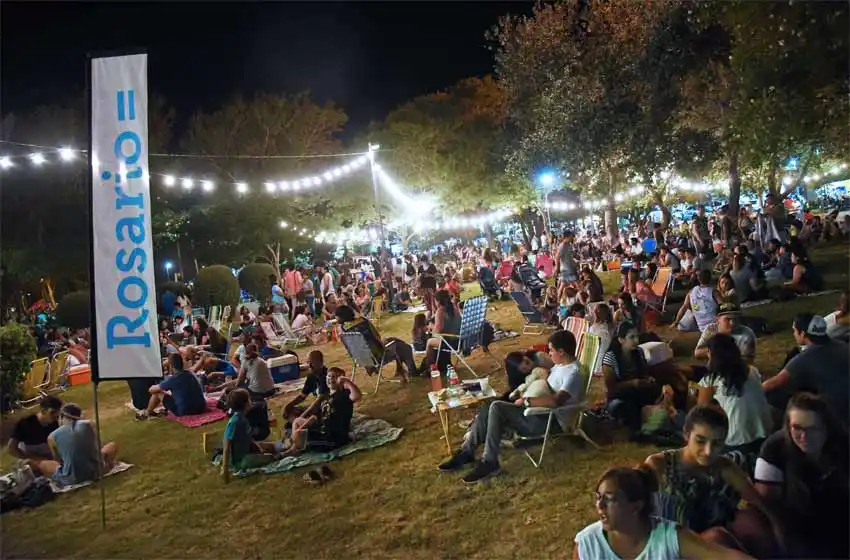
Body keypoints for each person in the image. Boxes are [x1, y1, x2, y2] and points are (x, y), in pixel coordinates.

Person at [438, 330, 583, 484]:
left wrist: (527, 401)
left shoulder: (572, 373)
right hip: (538, 413)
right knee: (490, 404)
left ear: (561, 352)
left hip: (550, 421)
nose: (549, 353)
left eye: (551, 350)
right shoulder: (559, 366)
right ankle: (467, 451)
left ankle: (489, 461)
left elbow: (556, 401)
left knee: (497, 407)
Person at [644, 405, 782, 558]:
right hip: (673, 548)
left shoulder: (723, 467)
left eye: (716, 443)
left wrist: (779, 530)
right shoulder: (659, 465)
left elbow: (760, 503)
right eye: (700, 441)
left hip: (711, 543)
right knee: (716, 537)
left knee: (751, 520)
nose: (708, 451)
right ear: (686, 434)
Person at [574, 467, 754, 560]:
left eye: (609, 499)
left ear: (635, 507)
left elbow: (723, 556)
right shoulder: (588, 544)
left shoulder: (669, 537)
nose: (599, 505)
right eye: (598, 497)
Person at [754, 392, 849, 558]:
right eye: (797, 428)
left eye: (813, 429)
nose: (804, 436)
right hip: (796, 528)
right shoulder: (774, 451)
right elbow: (769, 507)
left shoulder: (843, 444)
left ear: (827, 427)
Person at [698, 334, 772, 472]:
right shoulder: (752, 370)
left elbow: (700, 410)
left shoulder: (711, 380)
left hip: (737, 443)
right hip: (765, 434)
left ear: (710, 353)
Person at [762, 314, 849, 425]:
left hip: (835, 413)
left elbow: (775, 383)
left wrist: (755, 388)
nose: (793, 334)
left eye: (794, 330)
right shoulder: (841, 345)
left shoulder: (806, 358)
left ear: (802, 334)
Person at [33, 403, 118, 488]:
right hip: (99, 471)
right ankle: (108, 465)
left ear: (61, 416)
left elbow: (58, 461)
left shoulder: (51, 437)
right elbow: (98, 447)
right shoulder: (90, 424)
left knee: (43, 464)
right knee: (111, 446)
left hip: (72, 479)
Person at [286, 367, 361, 455]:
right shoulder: (326, 396)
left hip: (333, 438)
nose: (331, 379)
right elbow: (317, 417)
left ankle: (292, 449)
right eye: (329, 377)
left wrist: (347, 381)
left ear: (341, 379)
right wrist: (303, 426)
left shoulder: (344, 394)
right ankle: (294, 446)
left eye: (335, 377)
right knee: (297, 421)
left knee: (299, 435)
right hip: (322, 430)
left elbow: (357, 396)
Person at [602, 322, 660, 432]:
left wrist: (648, 379)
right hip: (618, 398)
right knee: (626, 409)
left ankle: (648, 426)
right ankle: (641, 428)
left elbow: (644, 373)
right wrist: (632, 383)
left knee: (656, 393)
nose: (636, 341)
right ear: (621, 339)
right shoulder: (610, 357)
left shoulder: (638, 352)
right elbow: (611, 389)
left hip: (637, 393)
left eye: (637, 336)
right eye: (632, 337)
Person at [335, 305, 416, 382]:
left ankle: (400, 370)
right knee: (405, 347)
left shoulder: (342, 330)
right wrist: (383, 344)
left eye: (336, 315)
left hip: (361, 359)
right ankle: (412, 372)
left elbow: (349, 348)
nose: (335, 317)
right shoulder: (363, 321)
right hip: (377, 356)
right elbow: (377, 336)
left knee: (393, 340)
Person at [136, 353, 207, 420]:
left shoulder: (173, 379)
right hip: (201, 408)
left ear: (171, 366)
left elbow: (152, 390)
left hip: (184, 411)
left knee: (157, 393)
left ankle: (147, 413)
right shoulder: (191, 373)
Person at [7, 395, 61, 460]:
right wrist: (30, 458)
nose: (56, 415)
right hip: (32, 460)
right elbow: (11, 448)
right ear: (43, 410)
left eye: (58, 412)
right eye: (52, 412)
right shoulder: (25, 423)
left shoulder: (57, 422)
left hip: (51, 458)